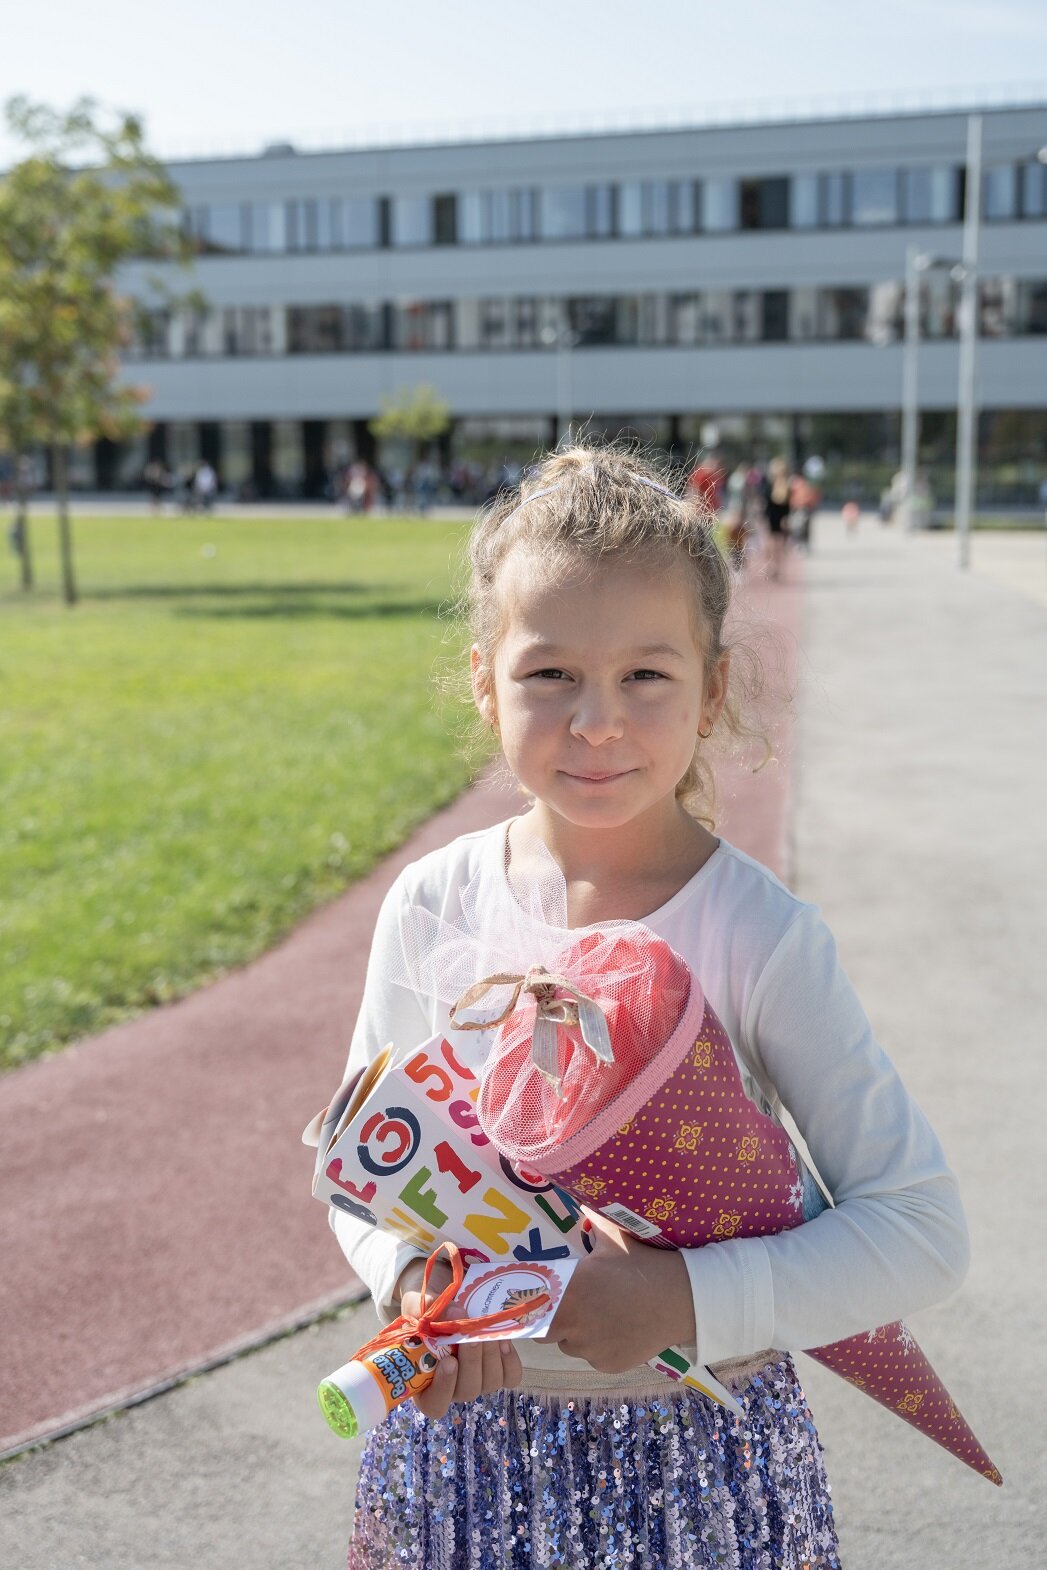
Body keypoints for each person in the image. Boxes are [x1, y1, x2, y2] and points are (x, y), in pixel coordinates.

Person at [332, 444, 969, 1570]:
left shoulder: (759, 934)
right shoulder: (435, 906)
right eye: (549, 676)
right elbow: (366, 1167)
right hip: (468, 1454)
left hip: (695, 1466)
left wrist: (682, 1296)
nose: (596, 722)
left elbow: (919, 1229)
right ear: (485, 681)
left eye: (645, 676)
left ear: (712, 687)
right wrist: (410, 1275)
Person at [761, 455, 792, 579]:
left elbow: (787, 505)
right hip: (770, 517)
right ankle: (771, 567)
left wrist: (786, 519)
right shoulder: (768, 485)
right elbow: (765, 503)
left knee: (778, 545)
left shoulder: (786, 486)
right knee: (770, 545)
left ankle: (777, 568)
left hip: (780, 518)